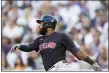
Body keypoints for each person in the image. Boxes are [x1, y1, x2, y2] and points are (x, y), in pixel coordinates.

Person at [11, 14, 101, 71]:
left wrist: (93, 63)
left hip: (61, 68)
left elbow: (77, 52)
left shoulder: (61, 36)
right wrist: (19, 45)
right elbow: (29, 47)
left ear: (48, 25)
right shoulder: (39, 39)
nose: (39, 25)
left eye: (42, 23)